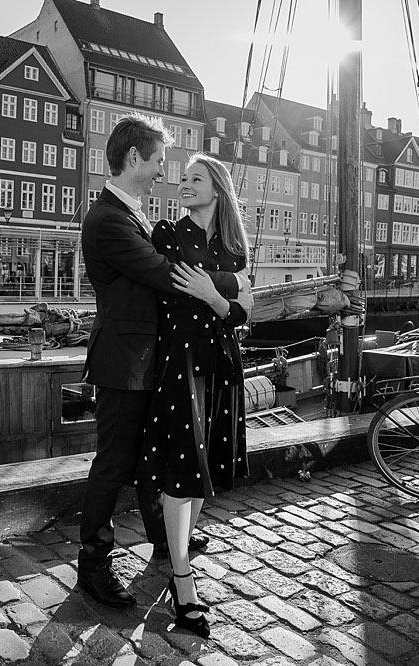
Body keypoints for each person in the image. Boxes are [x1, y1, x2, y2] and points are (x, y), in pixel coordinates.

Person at [77, 115, 245, 608]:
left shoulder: (130, 214)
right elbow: (162, 272)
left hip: (147, 360)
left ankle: (163, 541)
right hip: (123, 362)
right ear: (134, 159)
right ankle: (93, 563)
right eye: (156, 162)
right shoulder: (108, 219)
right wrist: (235, 284)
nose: (160, 173)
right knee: (113, 463)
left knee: (153, 455)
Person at [136, 153, 253, 638]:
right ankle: (182, 580)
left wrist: (214, 293)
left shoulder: (233, 247)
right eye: (182, 178)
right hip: (180, 361)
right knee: (182, 470)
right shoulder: (167, 233)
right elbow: (174, 288)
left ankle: (179, 546)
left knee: (207, 464)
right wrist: (224, 292)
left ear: (218, 188)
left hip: (220, 361)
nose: (184, 184)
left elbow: (244, 310)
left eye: (195, 178)